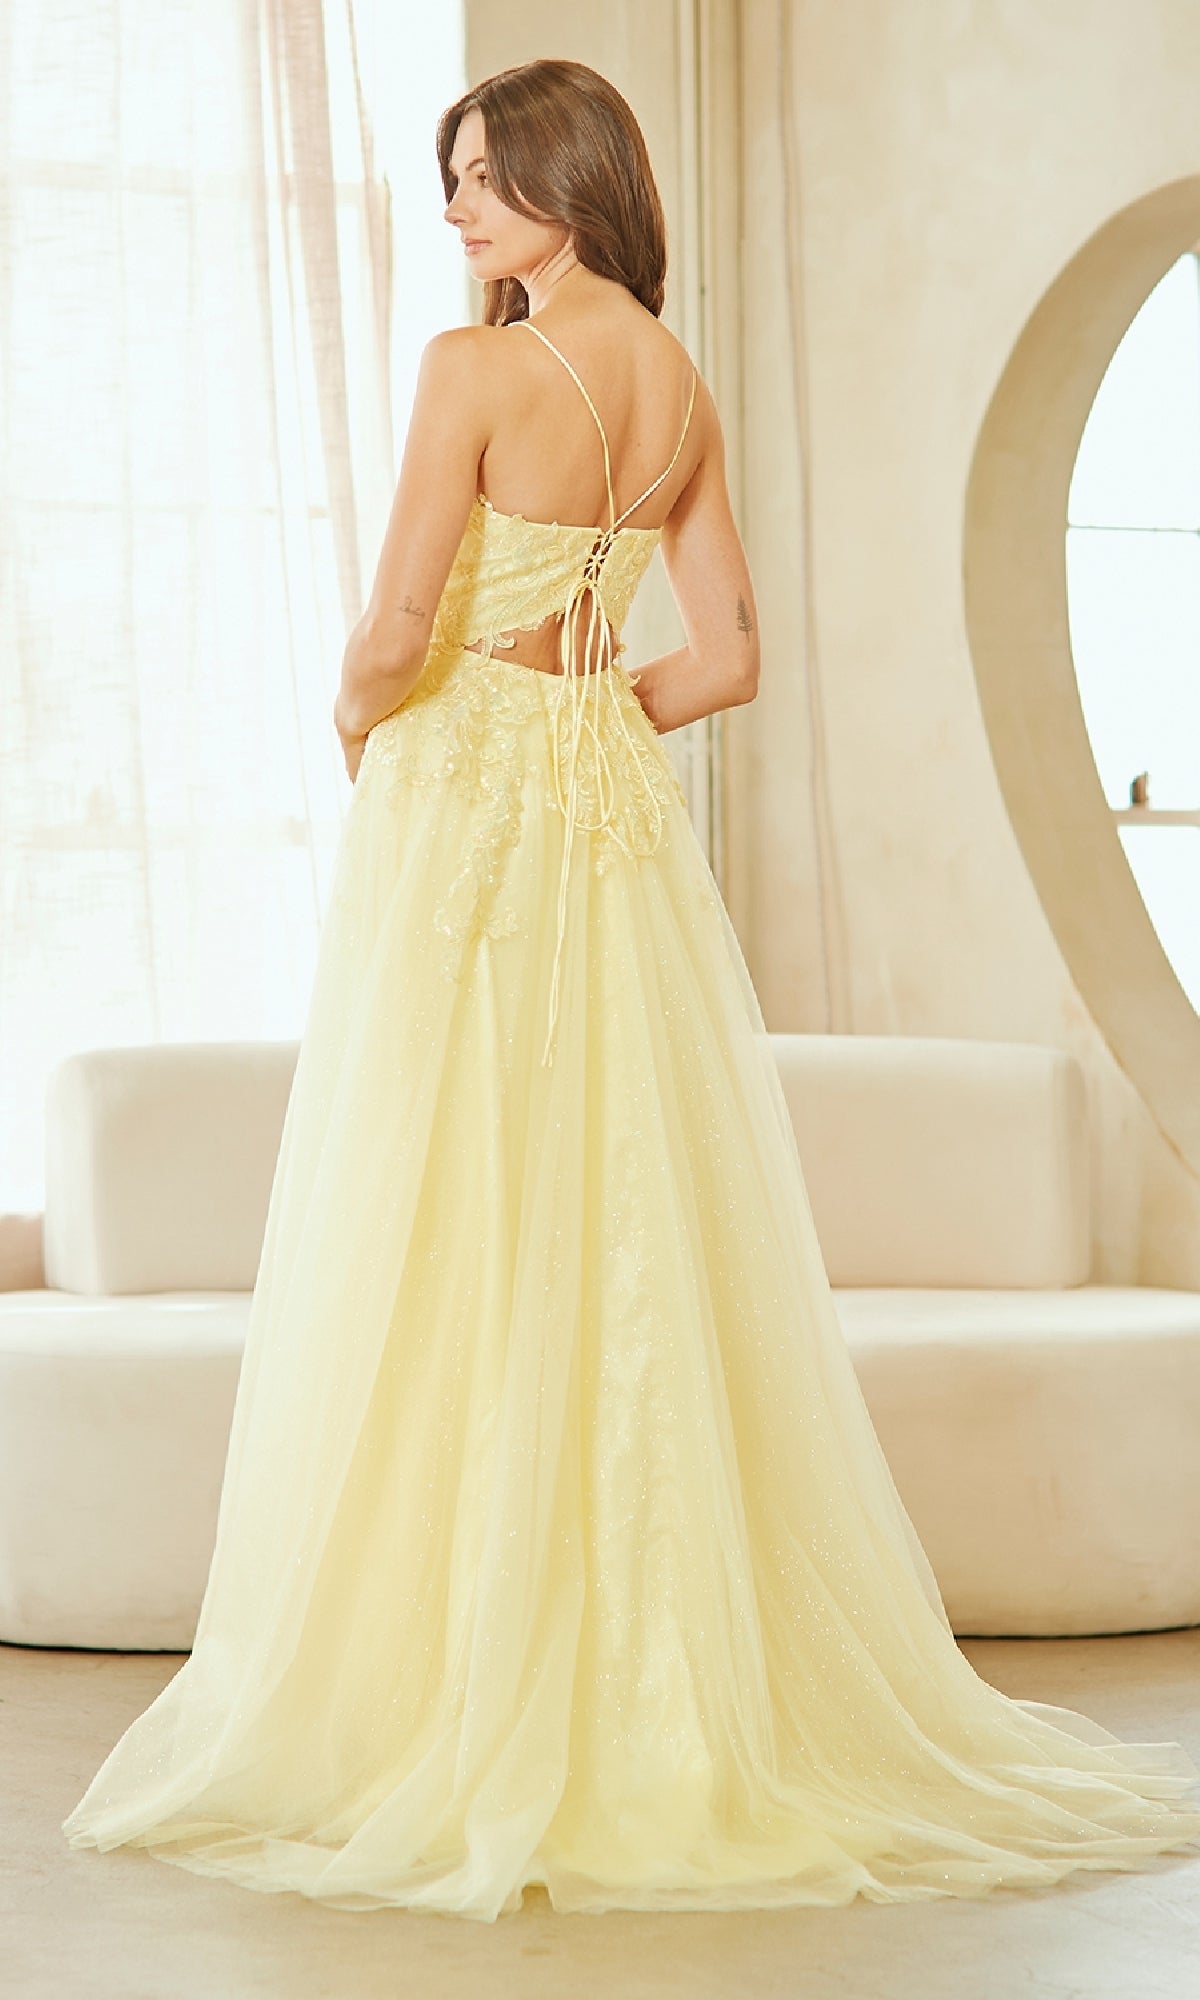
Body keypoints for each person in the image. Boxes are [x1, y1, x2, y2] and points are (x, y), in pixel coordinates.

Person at [62, 57, 1200, 1921]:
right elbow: (729, 652)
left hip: (466, 809)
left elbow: (397, 625)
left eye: (487, 182)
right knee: (619, 1209)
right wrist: (595, 703)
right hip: (608, 812)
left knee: (444, 1207)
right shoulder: (675, 381)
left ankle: (462, 1678)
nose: (457, 213)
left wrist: (366, 718)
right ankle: (638, 1667)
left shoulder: (474, 370)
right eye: (452, 182)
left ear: (571, 183)